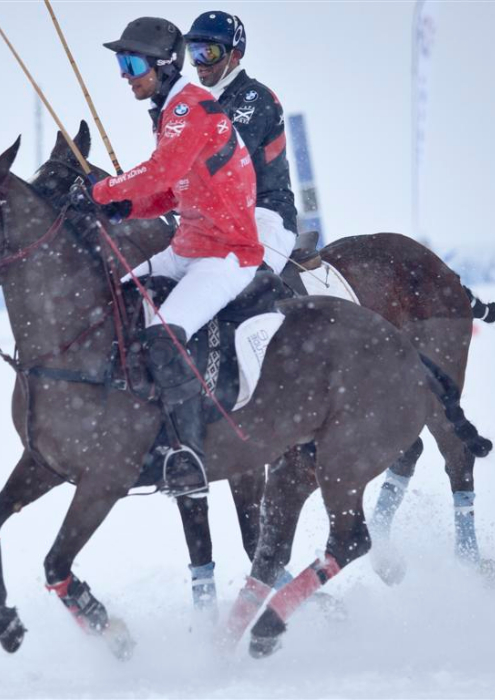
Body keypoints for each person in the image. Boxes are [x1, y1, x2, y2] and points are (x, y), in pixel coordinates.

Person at [79, 17, 263, 499]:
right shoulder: (168, 110)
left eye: (132, 62)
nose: (125, 74)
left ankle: (188, 455)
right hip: (187, 248)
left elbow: (162, 170)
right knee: (113, 302)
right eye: (121, 62)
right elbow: (172, 191)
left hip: (226, 255)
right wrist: (125, 205)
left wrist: (101, 191)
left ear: (162, 65)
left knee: (164, 337)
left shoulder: (191, 107)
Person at [183, 12, 299, 274]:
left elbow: (224, 160)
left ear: (234, 54)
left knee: (245, 281)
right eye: (194, 53)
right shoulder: (201, 106)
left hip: (266, 213)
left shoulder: (254, 97)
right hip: (217, 221)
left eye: (209, 53)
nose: (200, 63)